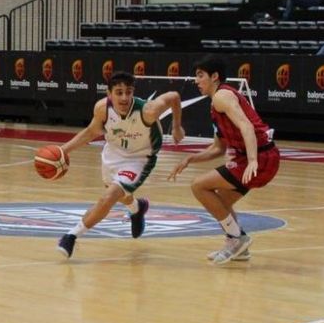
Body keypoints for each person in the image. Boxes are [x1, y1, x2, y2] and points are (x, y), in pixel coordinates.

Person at [56, 72, 184, 258]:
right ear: (109, 94)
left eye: (128, 92)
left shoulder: (148, 111)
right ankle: (137, 208)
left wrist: (177, 126)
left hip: (140, 158)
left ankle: (71, 236)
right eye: (119, 92)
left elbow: (174, 96)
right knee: (119, 196)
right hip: (113, 154)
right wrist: (63, 151)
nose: (124, 97)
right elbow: (91, 132)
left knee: (109, 196)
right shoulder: (102, 109)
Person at [168, 55, 280, 264]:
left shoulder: (222, 97)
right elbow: (218, 149)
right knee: (221, 201)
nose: (196, 80)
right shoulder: (216, 104)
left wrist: (254, 160)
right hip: (256, 156)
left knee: (199, 186)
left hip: (260, 156)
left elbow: (246, 126)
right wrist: (190, 159)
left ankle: (237, 239)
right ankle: (238, 245)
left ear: (215, 76)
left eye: (200, 75)